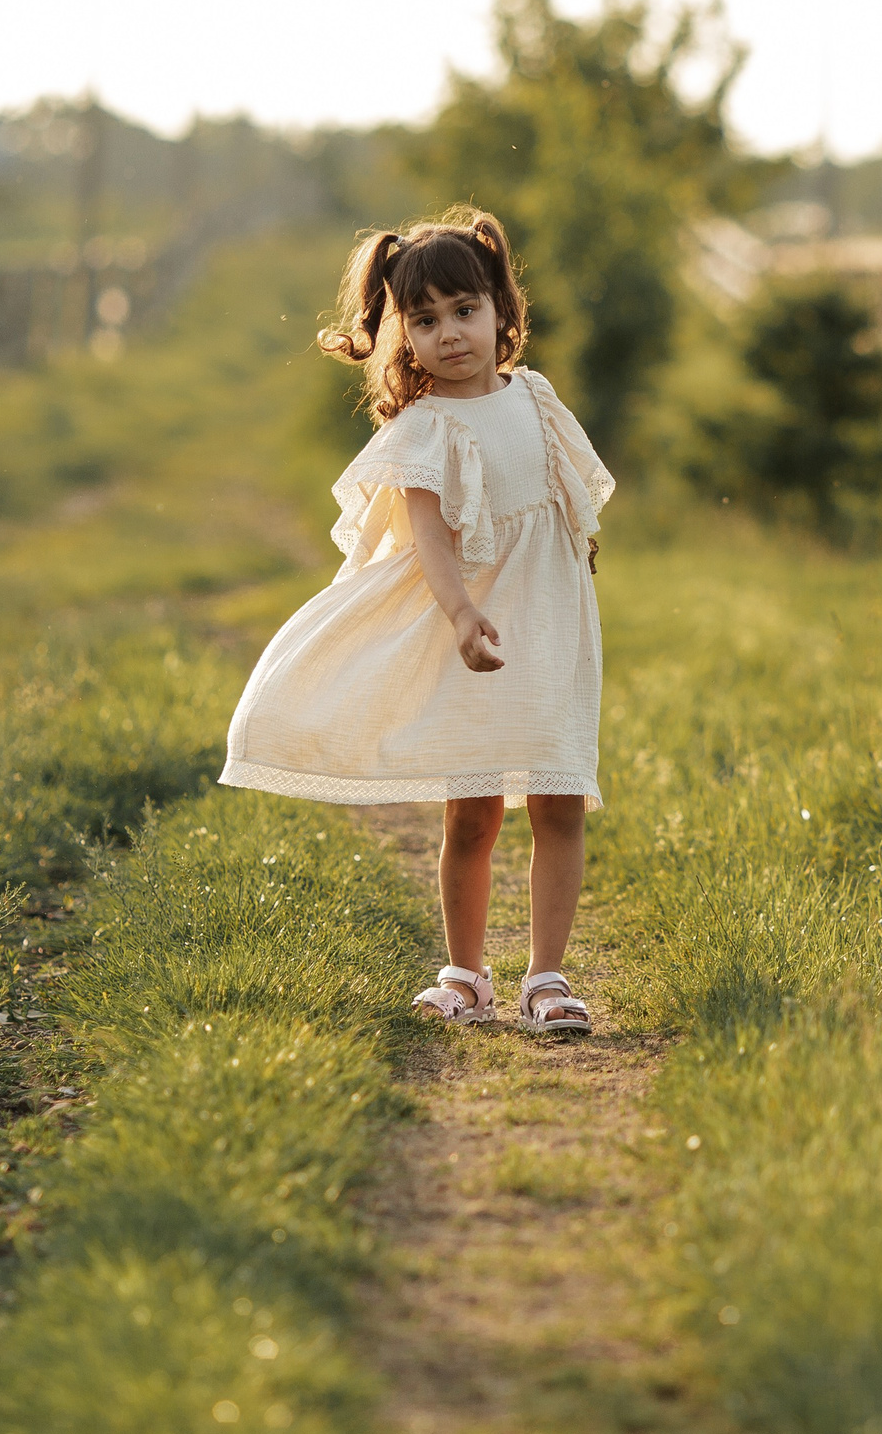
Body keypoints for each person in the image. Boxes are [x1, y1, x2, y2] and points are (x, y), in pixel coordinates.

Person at [221, 208, 611, 1035]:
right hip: (475, 634)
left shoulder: (536, 398)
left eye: (464, 311)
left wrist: (579, 555)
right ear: (402, 334)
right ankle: (466, 973)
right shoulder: (423, 427)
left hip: (550, 627)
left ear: (502, 308)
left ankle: (548, 974)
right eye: (425, 320)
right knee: (472, 809)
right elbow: (430, 538)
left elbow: (569, 497)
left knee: (559, 796)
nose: (450, 334)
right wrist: (463, 613)